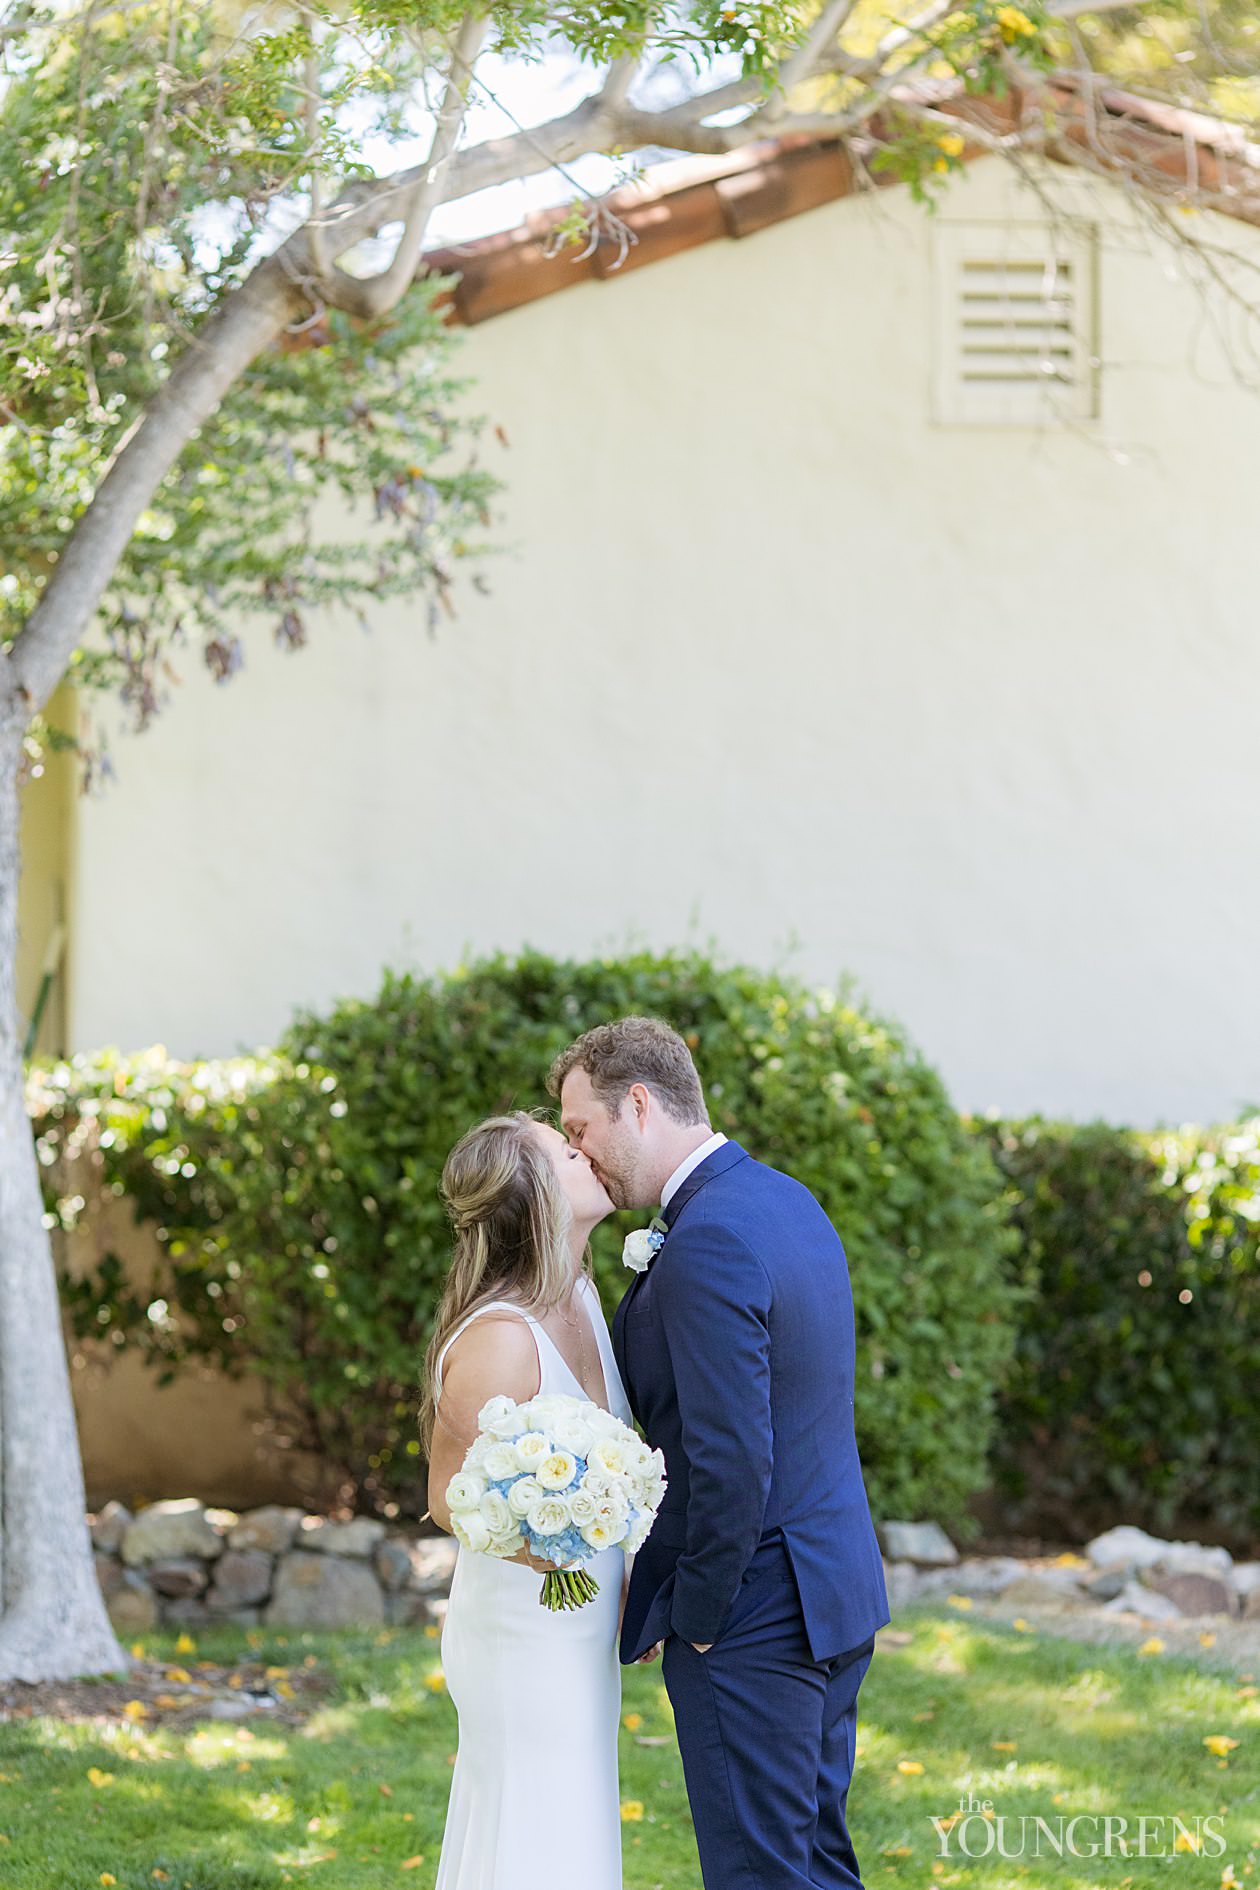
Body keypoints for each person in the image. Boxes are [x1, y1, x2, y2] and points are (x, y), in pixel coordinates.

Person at [550, 1016, 891, 1890]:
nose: (577, 1151)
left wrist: (696, 1616)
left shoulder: (707, 1241)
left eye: (582, 1129)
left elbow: (732, 1458)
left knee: (762, 1876)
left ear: (638, 1104)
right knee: (812, 1863)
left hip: (755, 1615)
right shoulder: (783, 1199)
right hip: (830, 1588)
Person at [421, 1110, 633, 1890]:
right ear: (536, 1198)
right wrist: (550, 1545)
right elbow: (448, 1494)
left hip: (581, 1623)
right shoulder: (502, 1335)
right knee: (534, 1828)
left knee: (570, 1824)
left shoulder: (581, 1293)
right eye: (567, 1153)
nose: (590, 1156)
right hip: (523, 1627)